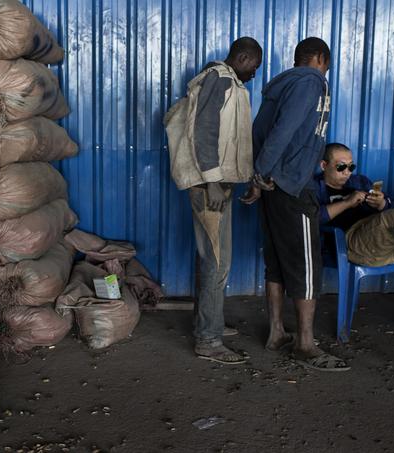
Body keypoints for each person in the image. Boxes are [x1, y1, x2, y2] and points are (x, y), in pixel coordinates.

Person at [241, 37, 348, 371]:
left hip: (273, 184)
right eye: (326, 64)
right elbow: (283, 132)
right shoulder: (311, 82)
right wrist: (265, 174)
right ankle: (304, 343)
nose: (326, 71)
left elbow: (259, 131)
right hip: (290, 185)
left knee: (276, 261)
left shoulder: (282, 86)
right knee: (306, 266)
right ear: (319, 58)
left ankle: (276, 333)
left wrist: (260, 177)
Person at [164, 37, 262, 364]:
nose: (254, 74)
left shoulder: (226, 80)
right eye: (254, 67)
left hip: (219, 183)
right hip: (211, 187)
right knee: (217, 261)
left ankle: (209, 321)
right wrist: (214, 181)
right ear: (244, 57)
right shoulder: (219, 79)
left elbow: (228, 138)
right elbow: (203, 131)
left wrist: (238, 179)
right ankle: (208, 338)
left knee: (211, 256)